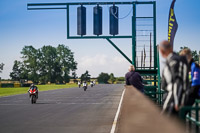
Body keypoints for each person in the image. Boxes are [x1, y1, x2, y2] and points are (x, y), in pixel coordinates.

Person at [159, 40, 189, 116]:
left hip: (172, 97)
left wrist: (176, 101)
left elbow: (177, 82)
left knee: (165, 121)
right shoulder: (176, 59)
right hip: (175, 96)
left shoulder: (173, 60)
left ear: (162, 51)